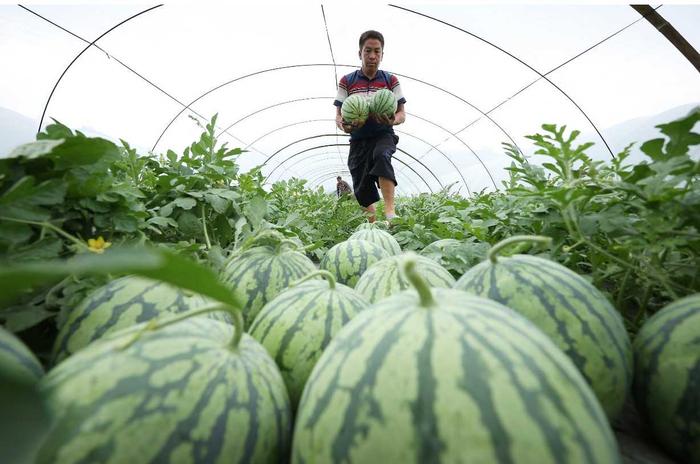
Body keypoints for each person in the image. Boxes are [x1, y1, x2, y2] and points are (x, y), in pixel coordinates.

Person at [334, 30, 406, 223]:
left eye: (377, 51)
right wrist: (346, 126)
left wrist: (393, 121)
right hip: (358, 138)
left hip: (383, 133)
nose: (372, 56)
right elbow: (339, 117)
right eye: (368, 51)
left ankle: (391, 214)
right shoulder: (347, 81)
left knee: (381, 156)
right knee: (360, 184)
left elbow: (401, 114)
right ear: (360, 53)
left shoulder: (391, 81)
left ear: (382, 54)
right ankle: (372, 225)